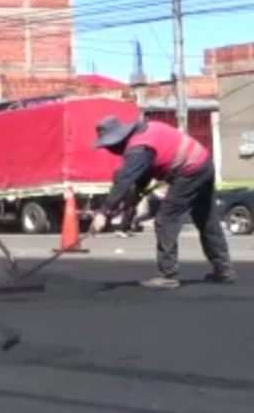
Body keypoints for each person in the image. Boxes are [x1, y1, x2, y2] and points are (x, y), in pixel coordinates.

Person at [91, 116, 234, 289]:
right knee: (206, 220)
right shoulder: (144, 134)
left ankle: (168, 275)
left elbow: (124, 180)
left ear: (117, 141)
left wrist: (103, 213)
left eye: (109, 146)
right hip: (203, 163)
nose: (109, 150)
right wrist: (130, 209)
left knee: (166, 219)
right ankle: (224, 270)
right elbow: (141, 180)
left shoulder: (139, 148)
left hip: (190, 170)